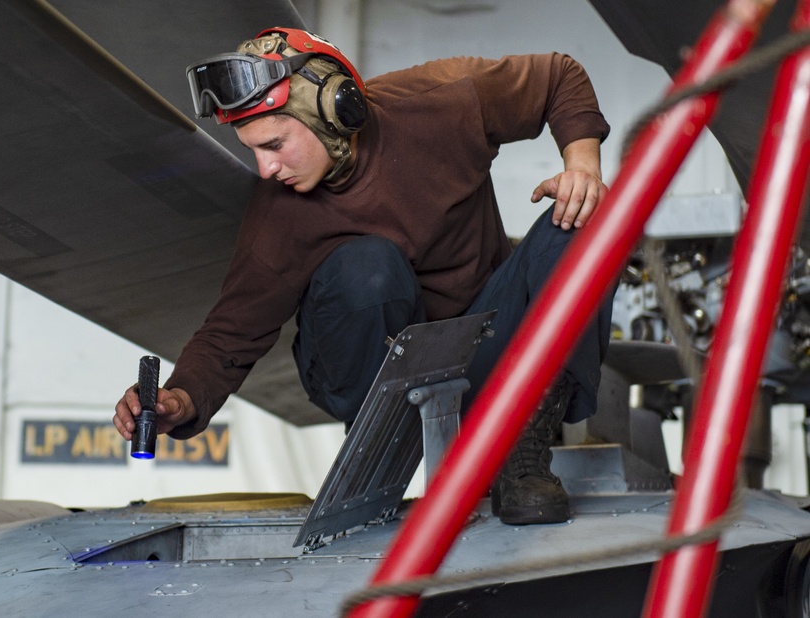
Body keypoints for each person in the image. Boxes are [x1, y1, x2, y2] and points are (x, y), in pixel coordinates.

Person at [114, 27, 613, 525]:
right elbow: (231, 333)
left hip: (481, 342)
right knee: (368, 266)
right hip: (365, 373)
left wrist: (582, 168)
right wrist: (179, 399)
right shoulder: (279, 212)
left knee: (589, 219)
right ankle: (375, 447)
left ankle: (523, 448)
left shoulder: (441, 102)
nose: (265, 169)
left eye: (274, 144)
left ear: (335, 110)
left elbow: (558, 77)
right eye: (254, 151)